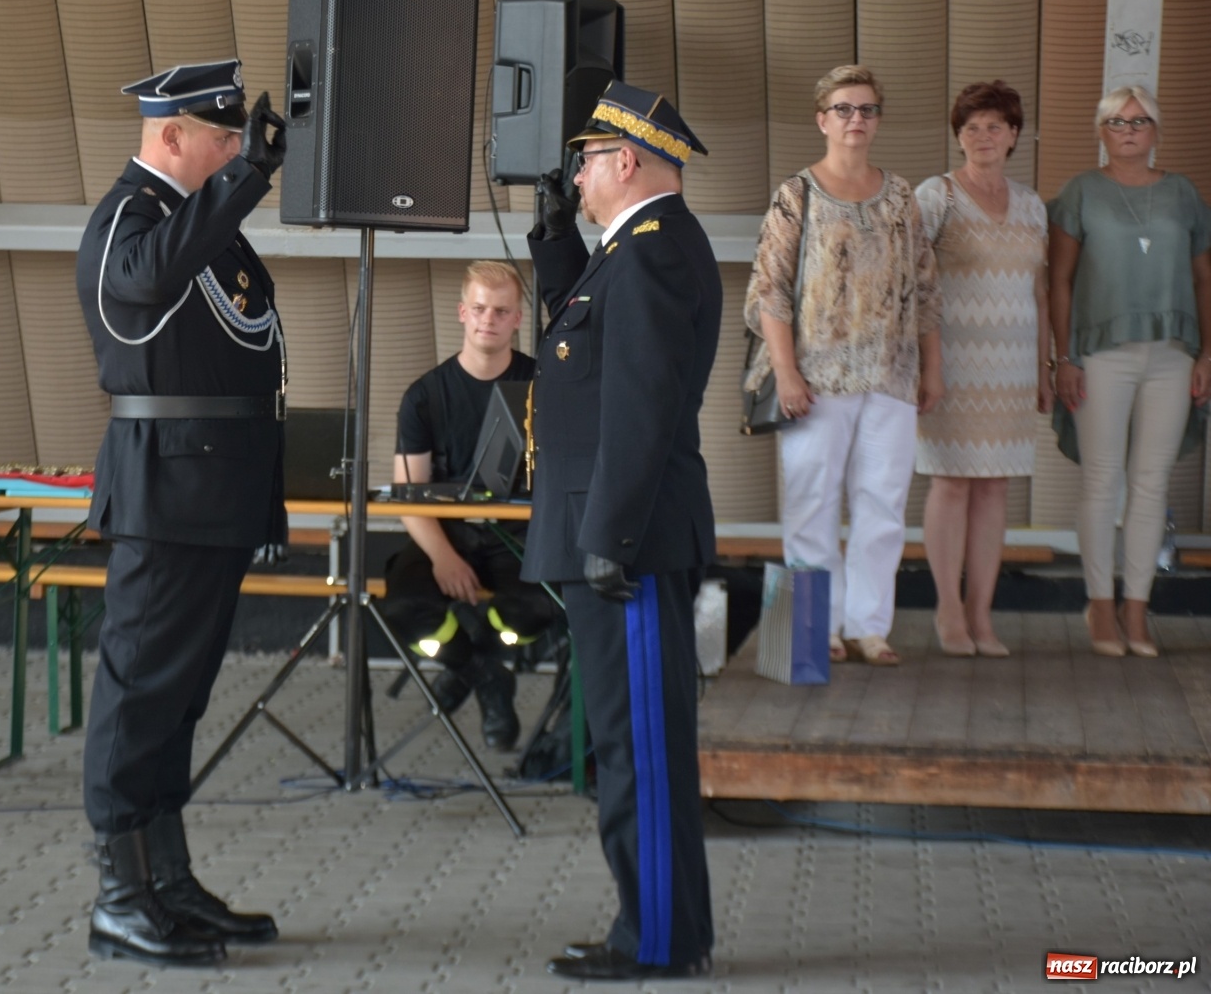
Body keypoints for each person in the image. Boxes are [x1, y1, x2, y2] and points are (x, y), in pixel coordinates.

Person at [73, 59, 288, 968]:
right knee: (139, 693)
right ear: (173, 138)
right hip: (166, 489)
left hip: (216, 488)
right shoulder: (132, 217)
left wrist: (235, 183)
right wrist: (246, 182)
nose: (235, 148)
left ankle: (166, 878)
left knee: (180, 697)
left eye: (238, 139)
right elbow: (142, 282)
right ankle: (120, 897)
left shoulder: (198, 224)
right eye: (223, 136)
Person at [526, 81, 721, 981]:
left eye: (586, 161)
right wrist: (554, 235)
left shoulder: (652, 254)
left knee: (637, 750)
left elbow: (638, 407)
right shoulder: (636, 249)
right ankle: (663, 927)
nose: (577, 174)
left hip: (625, 542)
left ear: (627, 161)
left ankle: (656, 941)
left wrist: (610, 532)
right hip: (616, 533)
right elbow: (584, 346)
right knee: (628, 742)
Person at [743, 64, 943, 667]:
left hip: (891, 372)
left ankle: (869, 627)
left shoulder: (903, 196)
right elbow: (769, 291)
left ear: (878, 119)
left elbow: (927, 290)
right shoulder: (796, 194)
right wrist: (786, 372)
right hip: (815, 377)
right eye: (844, 109)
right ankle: (812, 630)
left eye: (867, 109)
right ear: (822, 119)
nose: (856, 120)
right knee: (811, 501)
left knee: (883, 503)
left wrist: (933, 369)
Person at [1048, 85, 1211, 658]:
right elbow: (1059, 281)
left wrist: (1207, 353)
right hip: (1101, 354)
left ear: (1156, 131)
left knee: (1151, 483)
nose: (1129, 130)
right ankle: (1098, 606)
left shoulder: (1182, 193)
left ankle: (1137, 610)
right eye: (1117, 122)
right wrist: (1063, 357)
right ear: (1101, 131)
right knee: (1102, 480)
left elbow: (1203, 276)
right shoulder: (1081, 192)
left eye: (1140, 121)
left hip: (1172, 354)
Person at [384, 259, 555, 751]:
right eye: (479, 308)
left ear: (518, 319)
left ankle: (477, 657)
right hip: (446, 536)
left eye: (502, 311)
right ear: (461, 312)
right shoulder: (424, 397)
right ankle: (484, 674)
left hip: (518, 540)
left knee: (538, 607)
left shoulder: (544, 388)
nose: (489, 319)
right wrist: (443, 557)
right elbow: (408, 497)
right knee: (404, 605)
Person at [915, 81, 1051, 658]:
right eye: (971, 127)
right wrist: (929, 366)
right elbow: (917, 287)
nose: (982, 136)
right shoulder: (936, 195)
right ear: (959, 136)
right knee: (950, 482)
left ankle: (982, 615)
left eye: (994, 126)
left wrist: (1045, 370)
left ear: (1014, 135)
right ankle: (948, 610)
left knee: (994, 485)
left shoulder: (1033, 204)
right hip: (952, 363)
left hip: (1015, 367)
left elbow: (1039, 291)